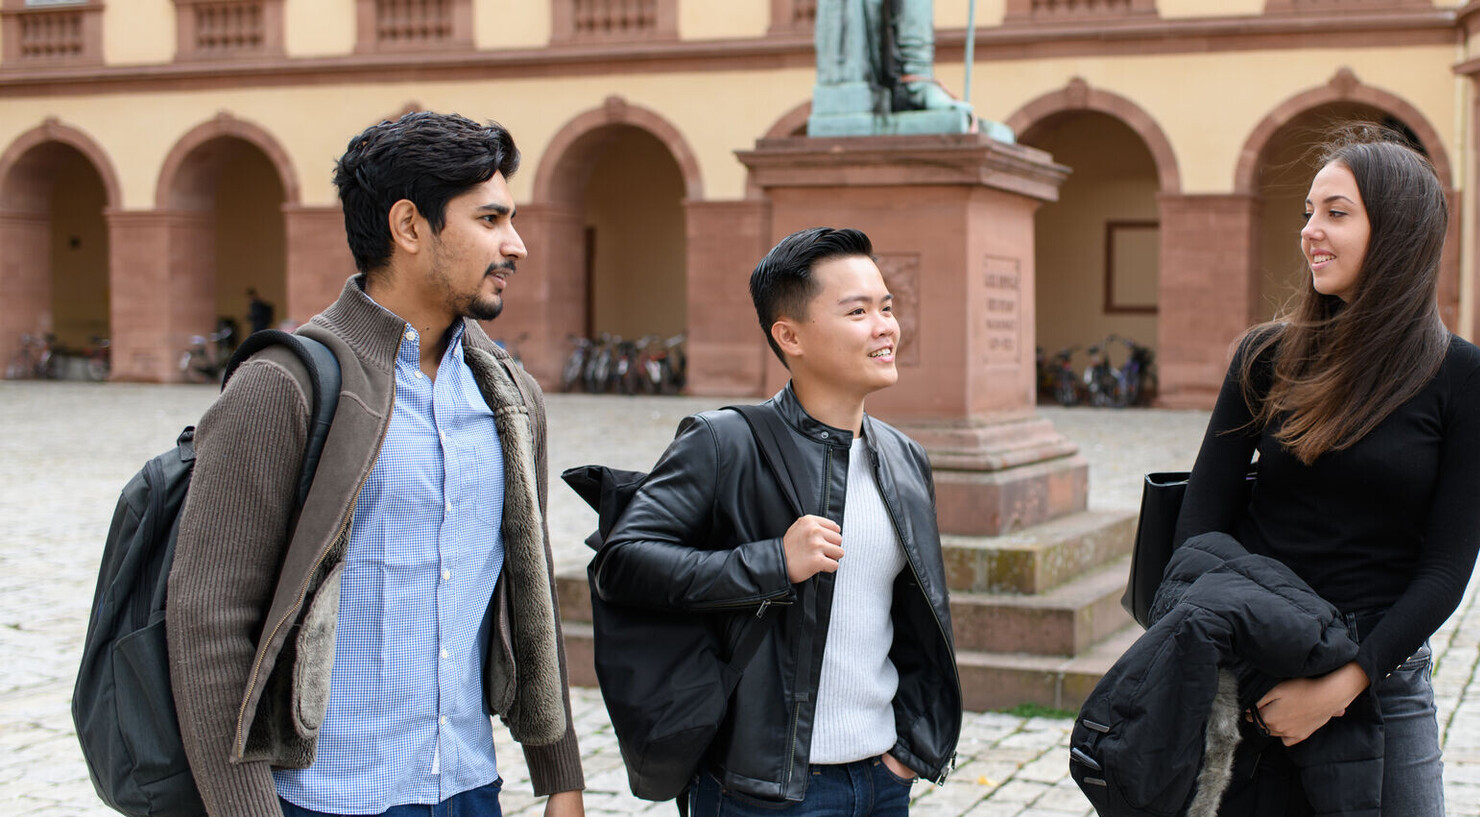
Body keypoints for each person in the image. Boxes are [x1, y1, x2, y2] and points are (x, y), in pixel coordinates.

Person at [167, 111, 586, 817]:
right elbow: (208, 616)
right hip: (322, 798)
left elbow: (527, 584)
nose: (515, 243)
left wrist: (560, 774)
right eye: (489, 218)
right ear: (409, 226)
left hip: (465, 787)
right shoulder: (284, 385)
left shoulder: (511, 395)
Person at [1170, 131, 1480, 815]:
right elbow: (1198, 529)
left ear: (1399, 231)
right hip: (1257, 670)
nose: (1311, 232)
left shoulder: (1466, 380)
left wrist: (1341, 684)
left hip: (1381, 676)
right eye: (1308, 212)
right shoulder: (1265, 358)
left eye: (1336, 212)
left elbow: (1445, 568)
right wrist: (1265, 647)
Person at [593, 226, 961, 816]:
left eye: (886, 307)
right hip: (761, 790)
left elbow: (917, 618)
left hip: (883, 781)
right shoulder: (723, 442)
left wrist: (908, 753)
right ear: (789, 335)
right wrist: (770, 563)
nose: (884, 326)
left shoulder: (904, 458)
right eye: (858, 311)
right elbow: (623, 561)